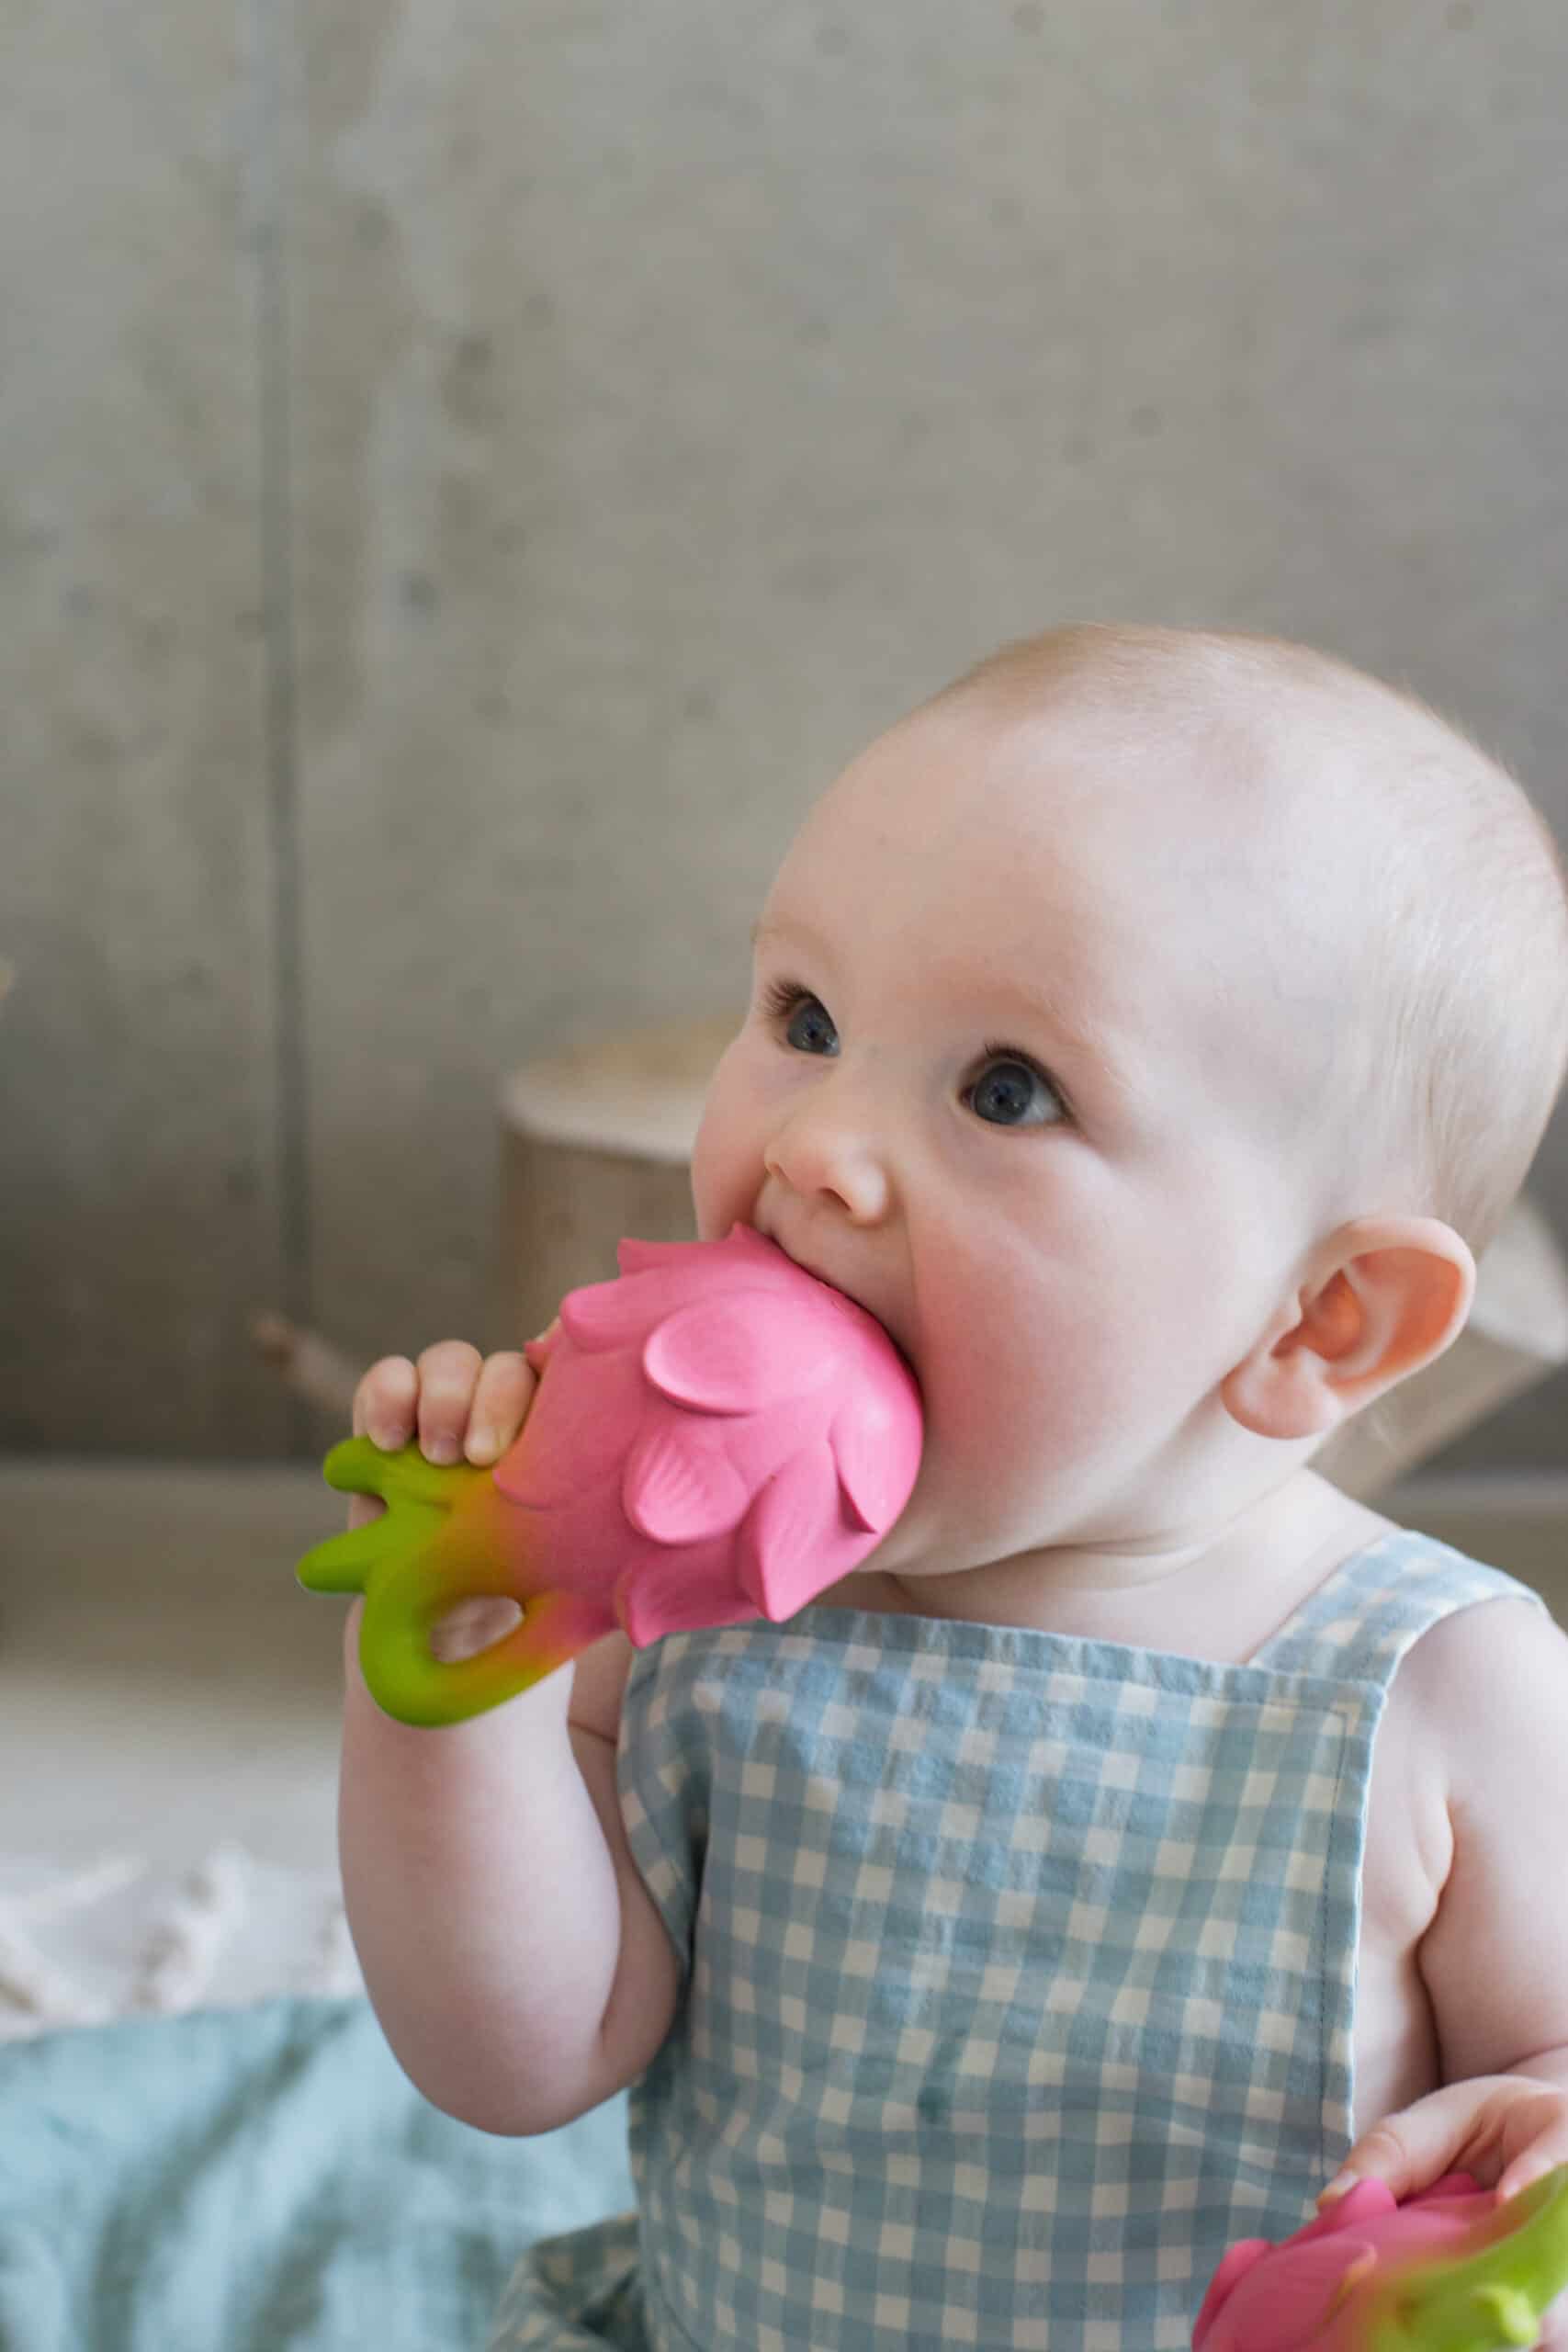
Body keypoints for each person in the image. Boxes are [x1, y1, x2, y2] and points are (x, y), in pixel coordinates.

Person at [338, 625, 1568, 2351]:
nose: (811, 1146)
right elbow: (515, 2058)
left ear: (1323, 1316)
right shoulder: (696, 1599)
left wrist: (1530, 2182)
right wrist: (460, 1666)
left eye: (1008, 1089)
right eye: (805, 1017)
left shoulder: (1434, 1683)